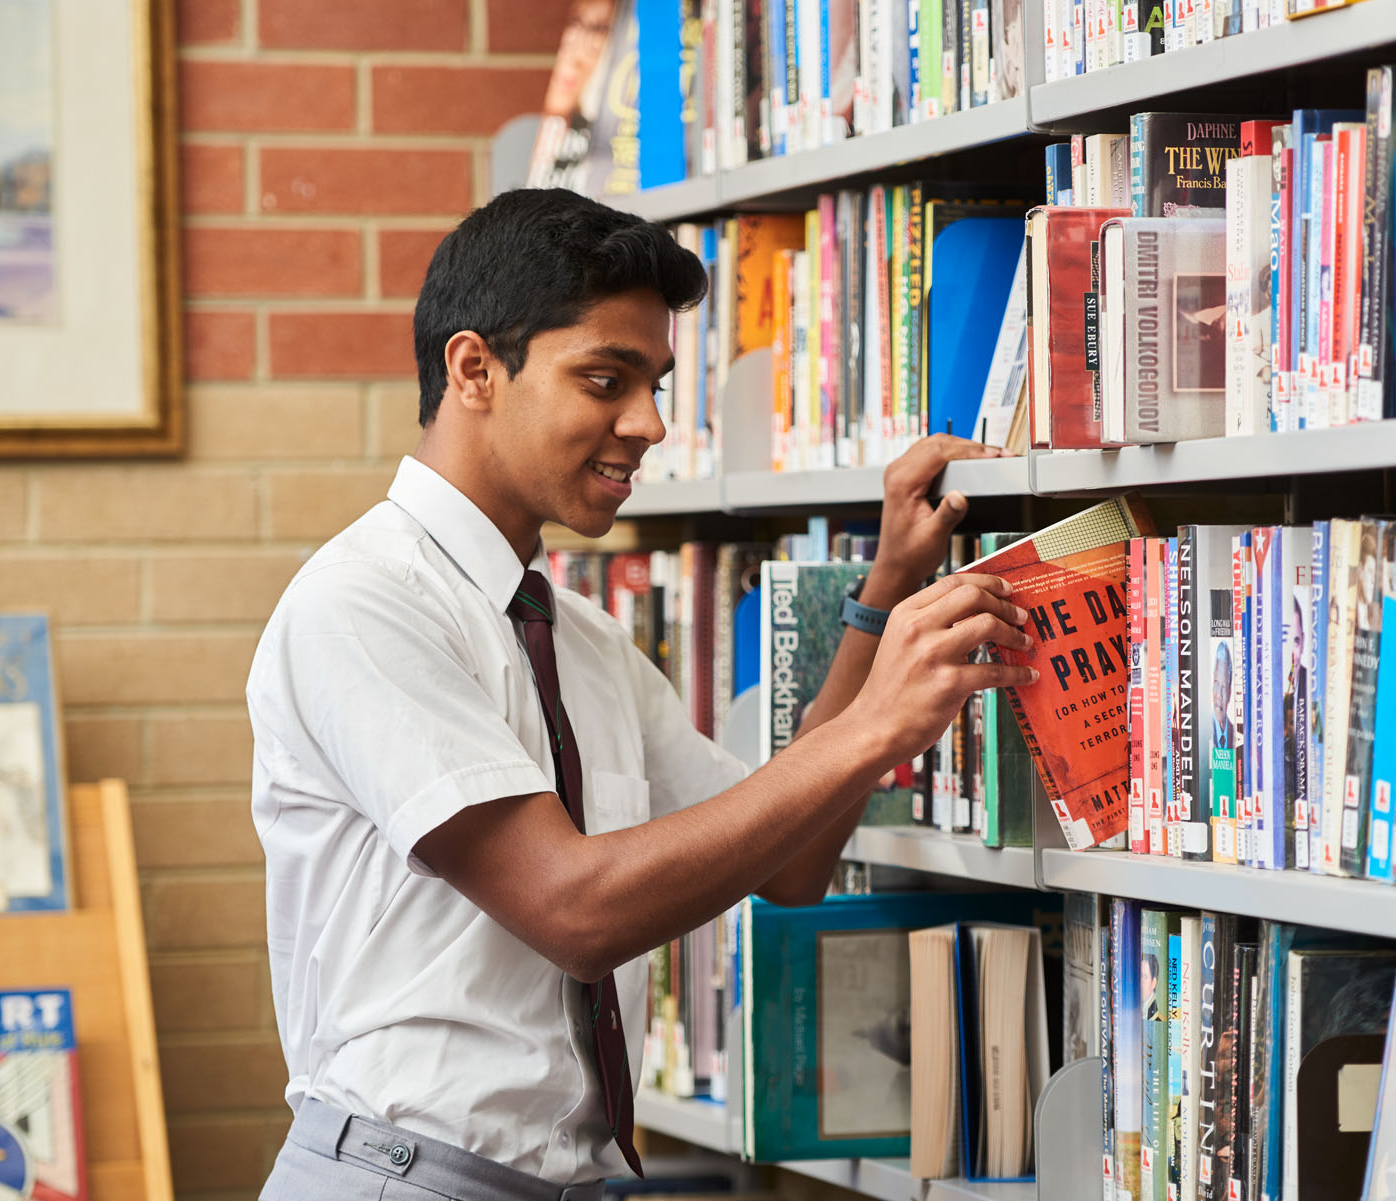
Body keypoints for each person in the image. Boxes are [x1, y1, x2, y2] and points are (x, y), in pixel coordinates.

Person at [246, 187, 1033, 1201]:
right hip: (410, 1179)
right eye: (605, 380)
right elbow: (574, 908)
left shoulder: (580, 639)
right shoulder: (362, 604)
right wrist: (877, 721)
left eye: (656, 383)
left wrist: (881, 597)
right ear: (474, 369)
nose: (650, 423)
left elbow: (790, 860)